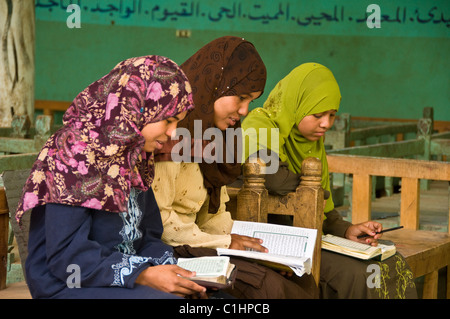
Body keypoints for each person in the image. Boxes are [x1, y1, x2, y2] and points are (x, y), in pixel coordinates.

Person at [14, 55, 209, 299]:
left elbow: (147, 235)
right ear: (136, 106)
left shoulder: (135, 154)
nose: (172, 133)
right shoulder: (74, 152)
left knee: (203, 294)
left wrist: (178, 271)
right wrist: (143, 275)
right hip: (67, 283)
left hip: (122, 276)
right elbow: (67, 256)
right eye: (168, 120)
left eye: (177, 123)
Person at [152, 36, 318, 299]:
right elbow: (162, 225)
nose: (244, 110)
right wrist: (228, 243)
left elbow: (212, 214)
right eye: (240, 97)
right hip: (169, 249)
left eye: (251, 101)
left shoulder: (214, 138)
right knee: (267, 287)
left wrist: (260, 253)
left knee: (301, 280)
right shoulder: (169, 138)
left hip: (200, 244)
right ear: (214, 86)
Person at [241, 62, 417, 299]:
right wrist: (316, 192)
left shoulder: (312, 142)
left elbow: (324, 212)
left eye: (332, 115)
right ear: (298, 103)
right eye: (318, 114)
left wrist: (348, 230)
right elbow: (273, 179)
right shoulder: (260, 123)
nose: (326, 124)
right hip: (271, 242)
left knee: (389, 262)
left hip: (307, 238)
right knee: (360, 274)